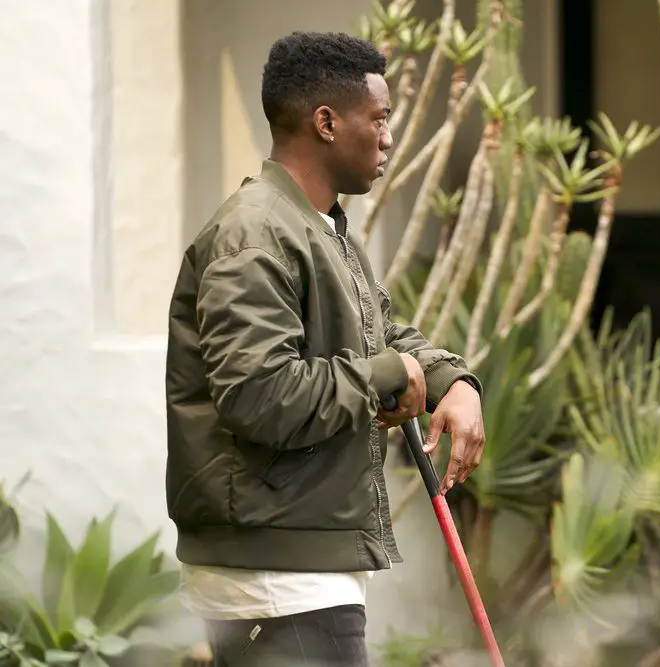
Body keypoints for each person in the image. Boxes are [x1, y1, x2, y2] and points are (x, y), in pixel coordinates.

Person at [164, 31, 485, 666]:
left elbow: (379, 335)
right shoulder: (256, 235)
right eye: (380, 118)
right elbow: (260, 395)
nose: (389, 137)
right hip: (276, 580)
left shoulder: (319, 228)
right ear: (327, 122)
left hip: (296, 571)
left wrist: (451, 381)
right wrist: (394, 374)